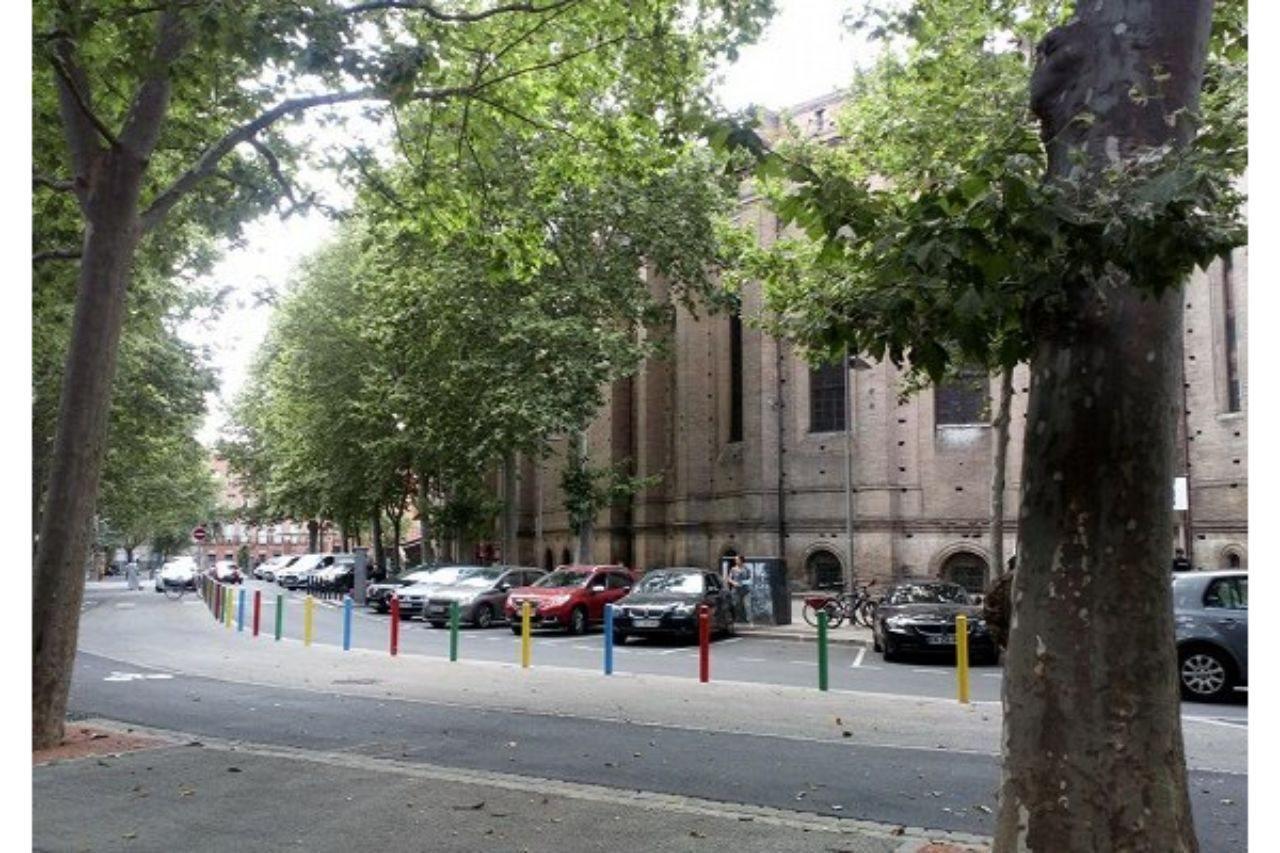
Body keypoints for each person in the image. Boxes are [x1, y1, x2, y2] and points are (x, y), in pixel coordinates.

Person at [727, 555, 752, 624]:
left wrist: (743, 583)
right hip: (736, 590)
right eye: (735, 560)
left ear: (741, 560)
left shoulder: (746, 569)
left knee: (747, 605)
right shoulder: (733, 569)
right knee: (736, 604)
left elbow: (750, 579)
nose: (736, 561)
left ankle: (749, 620)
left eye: (737, 559)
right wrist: (733, 583)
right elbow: (729, 578)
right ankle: (737, 619)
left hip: (745, 590)